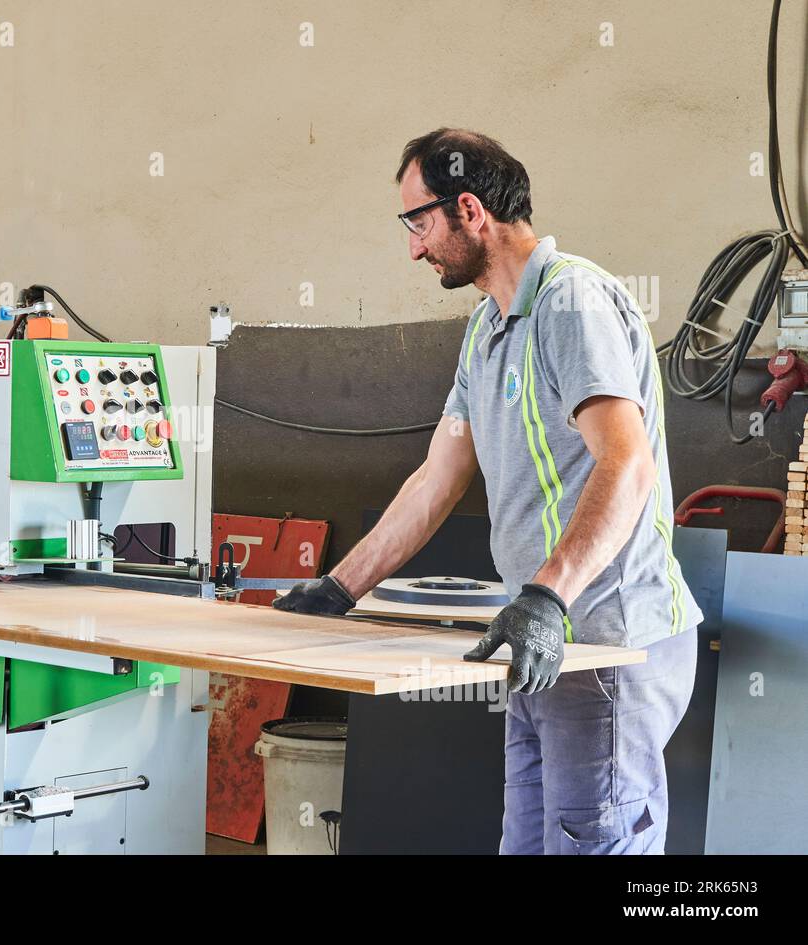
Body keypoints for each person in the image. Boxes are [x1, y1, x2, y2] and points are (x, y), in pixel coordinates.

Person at [274, 128, 701, 854]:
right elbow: (439, 476)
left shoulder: (573, 305)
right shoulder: (487, 327)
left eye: (419, 221)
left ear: (469, 209)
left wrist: (545, 595)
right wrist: (341, 587)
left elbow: (626, 464)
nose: (414, 246)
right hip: (540, 644)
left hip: (606, 646)